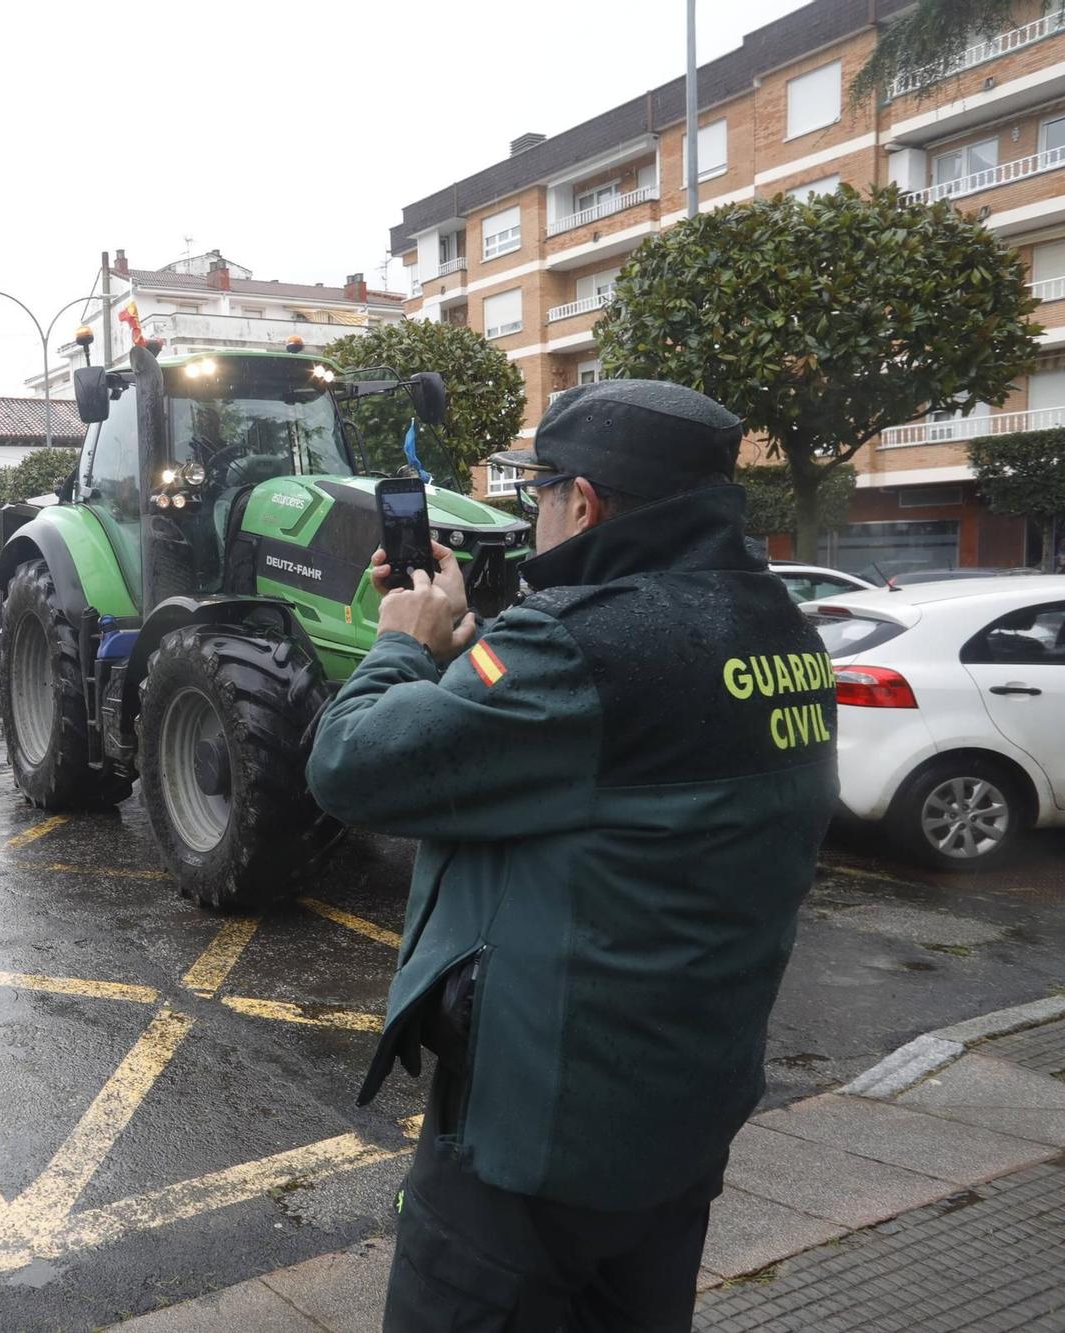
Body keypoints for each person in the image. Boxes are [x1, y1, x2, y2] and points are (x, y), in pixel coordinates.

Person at [306, 380, 837, 1332]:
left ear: (581, 502)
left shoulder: (582, 648)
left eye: (538, 490)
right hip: (677, 1123)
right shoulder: (782, 630)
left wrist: (398, 646)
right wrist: (468, 662)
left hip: (532, 1150)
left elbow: (349, 766)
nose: (530, 510)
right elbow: (607, 769)